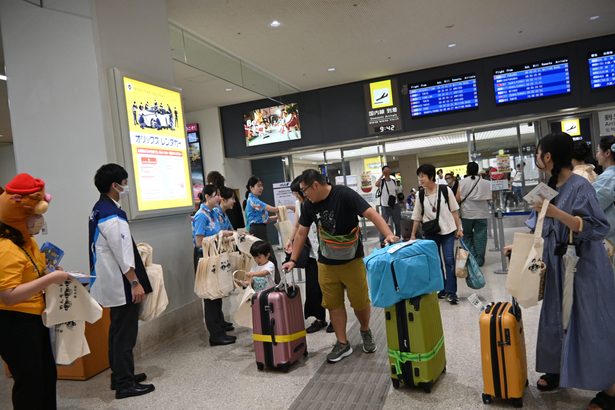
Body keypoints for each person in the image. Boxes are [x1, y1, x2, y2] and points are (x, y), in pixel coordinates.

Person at [527, 132, 615, 410]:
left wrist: (556, 214)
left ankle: (611, 387)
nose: (537, 157)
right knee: (554, 317)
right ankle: (557, 369)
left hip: (584, 266)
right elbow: (540, 225)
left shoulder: (580, 185)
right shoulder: (549, 186)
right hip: (556, 265)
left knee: (589, 322)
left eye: (539, 152)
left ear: (548, 157)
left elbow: (597, 227)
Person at [283, 169, 399, 364]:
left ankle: (365, 330)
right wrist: (293, 260)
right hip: (326, 263)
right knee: (333, 304)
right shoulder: (310, 205)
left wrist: (388, 234)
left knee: (360, 301)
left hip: (352, 261)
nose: (304, 195)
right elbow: (302, 233)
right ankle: (342, 342)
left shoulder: (344, 194)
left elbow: (371, 213)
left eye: (305, 190)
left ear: (316, 185)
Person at [0, 173, 69, 409]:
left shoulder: (27, 241)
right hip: (14, 322)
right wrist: (50, 278)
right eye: (35, 215)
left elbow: (35, 270)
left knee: (46, 377)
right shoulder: (5, 248)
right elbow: (8, 295)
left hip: (35, 318)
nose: (39, 220)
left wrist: (51, 271)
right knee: (29, 382)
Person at [88, 164, 155, 399]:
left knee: (117, 331)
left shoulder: (99, 208)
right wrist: (135, 282)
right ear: (114, 185)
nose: (127, 186)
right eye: (124, 182)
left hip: (110, 282)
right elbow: (122, 252)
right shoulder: (112, 215)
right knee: (125, 334)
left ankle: (120, 376)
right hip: (121, 283)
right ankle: (125, 384)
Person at [410, 164, 463, 305]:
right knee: (436, 263)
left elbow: (454, 211)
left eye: (423, 176)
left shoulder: (445, 190)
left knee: (449, 260)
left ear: (431, 176)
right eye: (419, 176)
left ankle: (452, 292)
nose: (420, 179)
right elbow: (417, 216)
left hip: (448, 231)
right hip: (431, 233)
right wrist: (413, 234)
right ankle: (443, 288)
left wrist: (459, 228)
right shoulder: (420, 194)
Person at [192, 184, 236, 346]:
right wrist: (219, 235)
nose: (219, 198)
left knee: (217, 294)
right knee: (210, 296)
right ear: (208, 197)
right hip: (205, 258)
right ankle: (215, 335)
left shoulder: (213, 214)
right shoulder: (201, 216)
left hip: (215, 256)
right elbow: (198, 242)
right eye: (216, 195)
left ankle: (220, 328)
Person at [286, 176, 330, 334]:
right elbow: (297, 225)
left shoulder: (317, 203)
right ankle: (319, 319)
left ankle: (334, 318)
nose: (297, 197)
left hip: (325, 252)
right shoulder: (300, 204)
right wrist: (290, 240)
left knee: (329, 288)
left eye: (298, 193)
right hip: (311, 253)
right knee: (313, 288)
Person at [244, 175, 286, 282]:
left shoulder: (256, 200)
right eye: (258, 186)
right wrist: (288, 207)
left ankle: (275, 282)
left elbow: (265, 219)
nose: (261, 188)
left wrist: (278, 217)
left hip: (261, 229)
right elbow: (272, 208)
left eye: (262, 186)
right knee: (267, 258)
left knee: (269, 258)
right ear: (251, 187)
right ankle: (275, 283)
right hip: (257, 230)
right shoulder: (252, 200)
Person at [456, 162, 492, 267]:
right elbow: (491, 197)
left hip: (467, 214)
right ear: (477, 170)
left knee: (467, 235)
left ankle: (472, 258)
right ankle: (480, 260)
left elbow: (457, 198)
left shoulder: (462, 182)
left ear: (467, 170)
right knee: (481, 236)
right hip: (482, 213)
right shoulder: (486, 182)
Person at [593, 135, 615, 267]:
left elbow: (592, 206)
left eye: (597, 150)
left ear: (607, 153)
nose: (596, 155)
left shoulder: (608, 178)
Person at [375, 165, 402, 247]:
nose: (387, 172)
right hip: (385, 206)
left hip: (394, 204)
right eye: (385, 171)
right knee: (384, 223)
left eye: (388, 170)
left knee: (397, 222)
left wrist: (400, 201)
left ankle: (398, 237)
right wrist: (382, 175)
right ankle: (383, 240)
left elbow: (397, 191)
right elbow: (376, 184)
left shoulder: (394, 181)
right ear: (383, 172)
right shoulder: (382, 182)